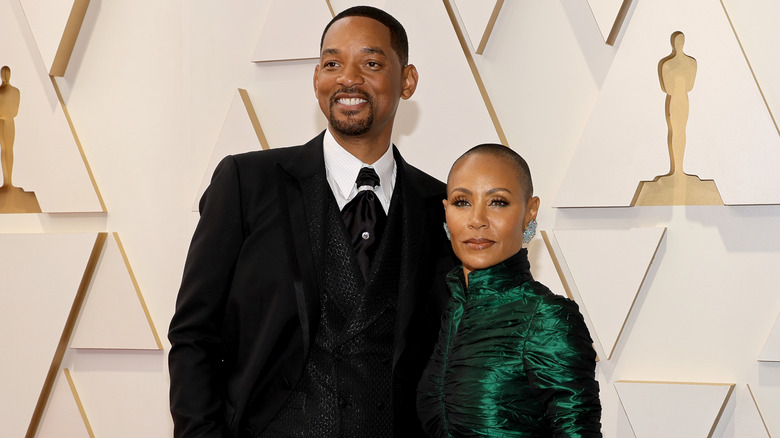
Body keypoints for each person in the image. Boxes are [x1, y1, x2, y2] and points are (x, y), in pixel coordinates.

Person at [168, 6, 455, 438]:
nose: (348, 78)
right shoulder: (247, 183)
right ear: (317, 79)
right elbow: (194, 335)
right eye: (332, 63)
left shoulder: (440, 205)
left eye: (371, 63)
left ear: (408, 80)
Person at [417, 144, 602, 437]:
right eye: (462, 202)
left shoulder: (547, 318)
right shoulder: (451, 311)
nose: (476, 219)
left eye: (498, 202)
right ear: (446, 212)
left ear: (530, 212)